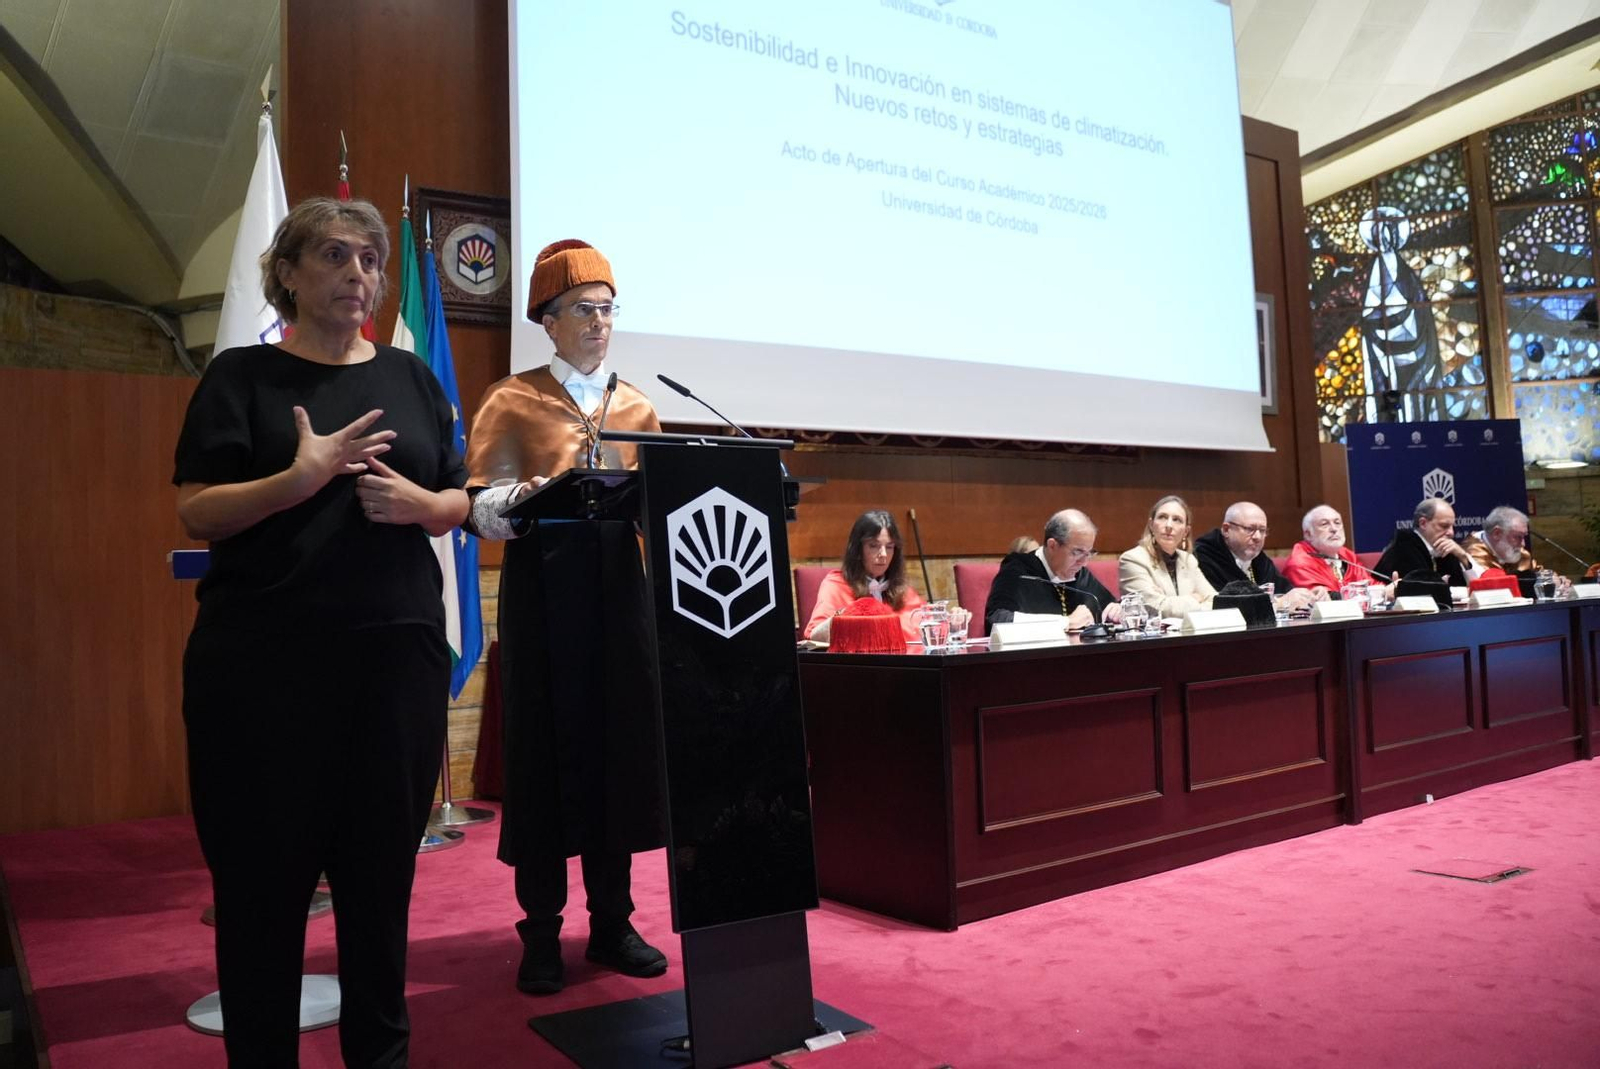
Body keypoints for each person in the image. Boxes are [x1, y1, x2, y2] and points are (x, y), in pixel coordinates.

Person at [174, 197, 469, 1068]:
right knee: (263, 899)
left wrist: (426, 508)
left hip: (395, 676)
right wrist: (294, 481)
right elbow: (195, 508)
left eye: (370, 260)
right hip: (264, 683)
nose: (358, 274)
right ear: (290, 274)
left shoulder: (413, 380)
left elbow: (458, 496)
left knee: (381, 896)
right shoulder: (240, 378)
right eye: (335, 256)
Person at [462, 239, 667, 997]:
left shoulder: (639, 406)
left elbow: (655, 506)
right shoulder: (511, 398)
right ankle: (541, 932)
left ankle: (611, 921)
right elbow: (478, 504)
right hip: (544, 602)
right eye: (585, 309)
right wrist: (523, 500)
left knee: (619, 753)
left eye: (608, 309)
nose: (600, 322)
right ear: (547, 320)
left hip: (619, 599)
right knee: (546, 759)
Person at [985, 509, 1124, 632]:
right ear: (1052, 546)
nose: (1084, 562)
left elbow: (1109, 605)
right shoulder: (1019, 571)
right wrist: (1065, 623)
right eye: (1077, 552)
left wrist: (1116, 610)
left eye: (1088, 553)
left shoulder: (1080, 573)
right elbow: (996, 620)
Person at [802, 509, 927, 643]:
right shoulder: (837, 585)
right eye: (874, 546)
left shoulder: (901, 589)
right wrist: (848, 617)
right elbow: (814, 635)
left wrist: (951, 622)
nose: (883, 554)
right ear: (858, 549)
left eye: (889, 547)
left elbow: (926, 624)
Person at [1193, 501, 1321, 613]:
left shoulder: (1259, 559)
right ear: (1227, 530)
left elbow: (1286, 590)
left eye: (1262, 530)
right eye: (1250, 529)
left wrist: (1310, 595)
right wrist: (1280, 603)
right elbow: (1226, 604)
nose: (1257, 537)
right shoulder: (1205, 556)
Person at [1118, 495, 1216, 618]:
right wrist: (1195, 598)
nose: (1169, 525)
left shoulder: (1188, 560)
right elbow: (1156, 608)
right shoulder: (1133, 559)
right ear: (1151, 525)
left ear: (1185, 531)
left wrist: (1169, 602)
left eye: (1177, 520)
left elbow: (1215, 601)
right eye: (1162, 517)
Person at [1374, 498, 1479, 587]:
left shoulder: (1445, 548)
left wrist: (1463, 557)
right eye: (1444, 526)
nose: (1451, 533)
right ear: (1423, 523)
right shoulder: (1402, 547)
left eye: (1452, 526)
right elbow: (1420, 592)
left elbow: (1473, 588)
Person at [1283, 504, 1367, 598]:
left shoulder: (1348, 555)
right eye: (1324, 524)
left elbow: (1370, 585)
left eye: (1337, 523)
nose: (1334, 529)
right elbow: (1323, 597)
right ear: (1308, 534)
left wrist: (1384, 591)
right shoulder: (1299, 562)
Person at [1465, 505, 1541, 574]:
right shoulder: (1473, 556)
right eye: (1518, 537)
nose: (1523, 544)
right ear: (1497, 533)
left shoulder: (1520, 554)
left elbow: (1540, 574)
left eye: (1524, 536)